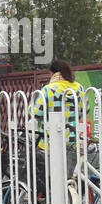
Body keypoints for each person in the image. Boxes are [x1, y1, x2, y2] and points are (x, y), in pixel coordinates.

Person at [28, 59, 83, 196]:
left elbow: (37, 112)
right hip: (72, 140)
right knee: (67, 180)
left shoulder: (48, 90)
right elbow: (83, 110)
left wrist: (30, 108)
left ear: (53, 73)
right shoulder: (79, 88)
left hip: (50, 142)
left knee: (50, 181)